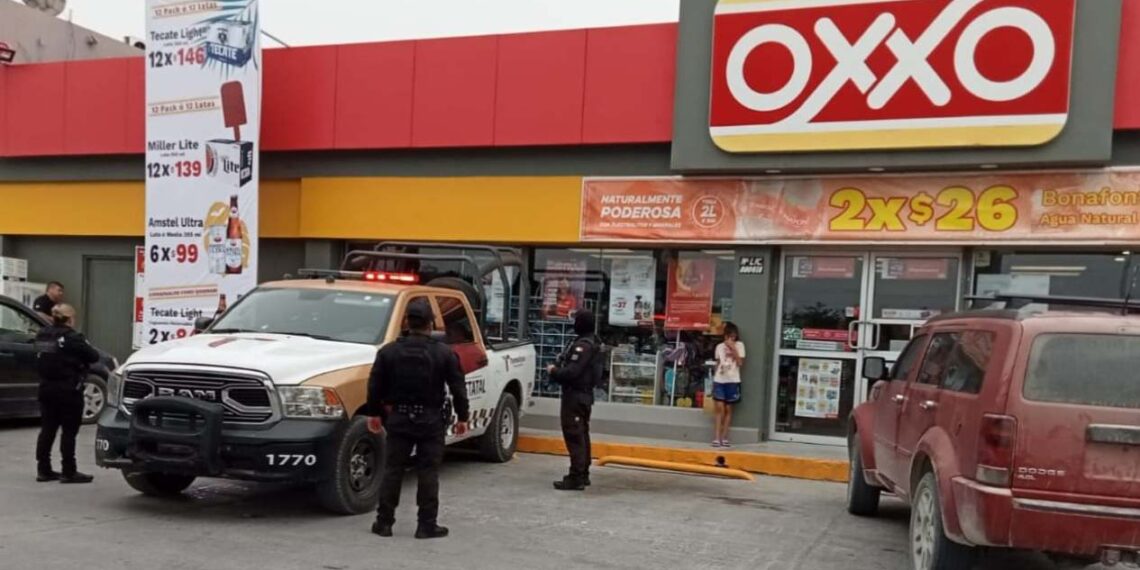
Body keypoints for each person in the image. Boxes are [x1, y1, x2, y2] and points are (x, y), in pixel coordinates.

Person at [367, 299, 469, 539]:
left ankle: (384, 522)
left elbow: (375, 385)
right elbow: (458, 387)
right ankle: (426, 525)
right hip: (431, 420)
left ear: (406, 322)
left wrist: (374, 413)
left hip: (399, 417)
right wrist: (463, 416)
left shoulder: (388, 351)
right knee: (428, 472)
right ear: (431, 323)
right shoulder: (444, 353)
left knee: (393, 470)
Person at [35, 304, 100, 484]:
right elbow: (93, 356)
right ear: (70, 319)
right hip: (68, 389)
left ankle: (43, 469)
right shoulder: (73, 337)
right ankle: (68, 471)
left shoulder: (43, 334)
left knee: (47, 429)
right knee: (69, 432)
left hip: (46, 388)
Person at [547, 309, 603, 491]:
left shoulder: (584, 346)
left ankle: (576, 476)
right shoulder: (592, 342)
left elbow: (572, 372)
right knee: (582, 434)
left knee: (575, 435)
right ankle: (583, 473)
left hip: (576, 396)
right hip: (583, 396)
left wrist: (554, 372)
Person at [712, 322, 745, 448]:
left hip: (733, 380)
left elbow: (740, 362)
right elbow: (718, 362)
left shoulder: (740, 345)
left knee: (728, 409)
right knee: (719, 408)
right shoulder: (719, 347)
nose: (731, 339)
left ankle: (724, 437)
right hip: (720, 379)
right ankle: (716, 437)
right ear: (725, 336)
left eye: (733, 336)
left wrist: (733, 348)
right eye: (729, 336)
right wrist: (714, 376)